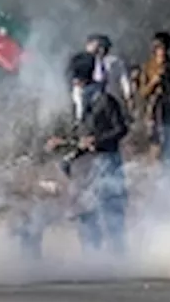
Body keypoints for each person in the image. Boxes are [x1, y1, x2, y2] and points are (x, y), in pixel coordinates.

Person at [48, 52, 129, 255]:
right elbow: (71, 132)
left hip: (106, 162)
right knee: (84, 213)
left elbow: (121, 129)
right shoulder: (73, 103)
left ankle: (120, 259)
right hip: (82, 167)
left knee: (112, 211)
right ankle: (91, 257)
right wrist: (59, 140)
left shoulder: (105, 100)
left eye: (79, 79)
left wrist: (98, 140)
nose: (77, 84)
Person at [150, 32, 170, 181]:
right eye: (157, 47)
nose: (160, 51)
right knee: (157, 146)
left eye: (162, 47)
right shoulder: (149, 67)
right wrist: (154, 82)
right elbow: (143, 92)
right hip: (156, 112)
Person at [85, 34, 133, 112]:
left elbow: (124, 79)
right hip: (95, 98)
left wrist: (128, 95)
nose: (101, 50)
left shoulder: (116, 62)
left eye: (103, 47)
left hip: (113, 97)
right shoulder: (90, 62)